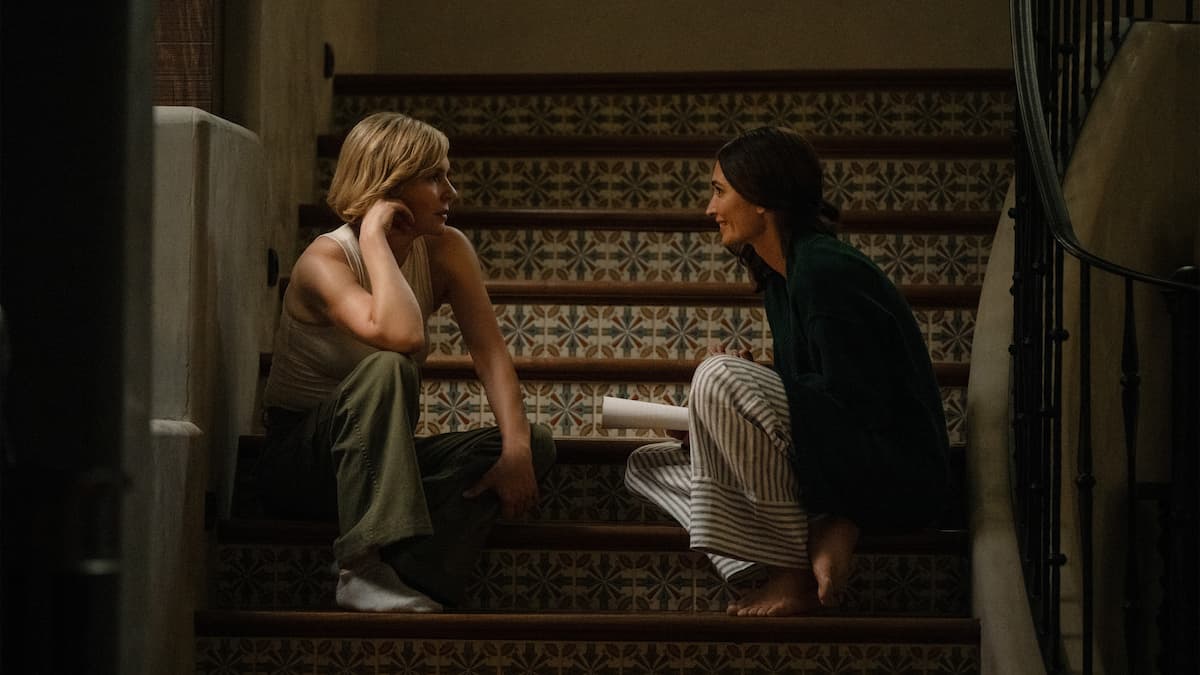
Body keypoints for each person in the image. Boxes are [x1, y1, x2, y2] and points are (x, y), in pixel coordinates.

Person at [625, 126, 950, 617]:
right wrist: (715, 422)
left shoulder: (824, 269)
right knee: (647, 465)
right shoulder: (780, 276)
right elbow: (818, 394)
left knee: (718, 375)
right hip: (839, 459)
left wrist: (739, 388)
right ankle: (804, 537)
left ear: (761, 198)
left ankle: (795, 568)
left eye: (719, 192)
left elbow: (860, 405)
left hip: (894, 475)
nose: (710, 210)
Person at [257, 112, 556, 613]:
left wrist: (517, 448)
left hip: (378, 462)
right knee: (389, 366)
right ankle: (361, 563)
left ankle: (405, 569)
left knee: (531, 443)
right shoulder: (324, 262)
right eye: (434, 177)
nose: (451, 192)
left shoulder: (446, 248)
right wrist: (375, 237)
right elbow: (402, 336)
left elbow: (490, 354)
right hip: (302, 463)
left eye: (447, 176)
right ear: (389, 185)